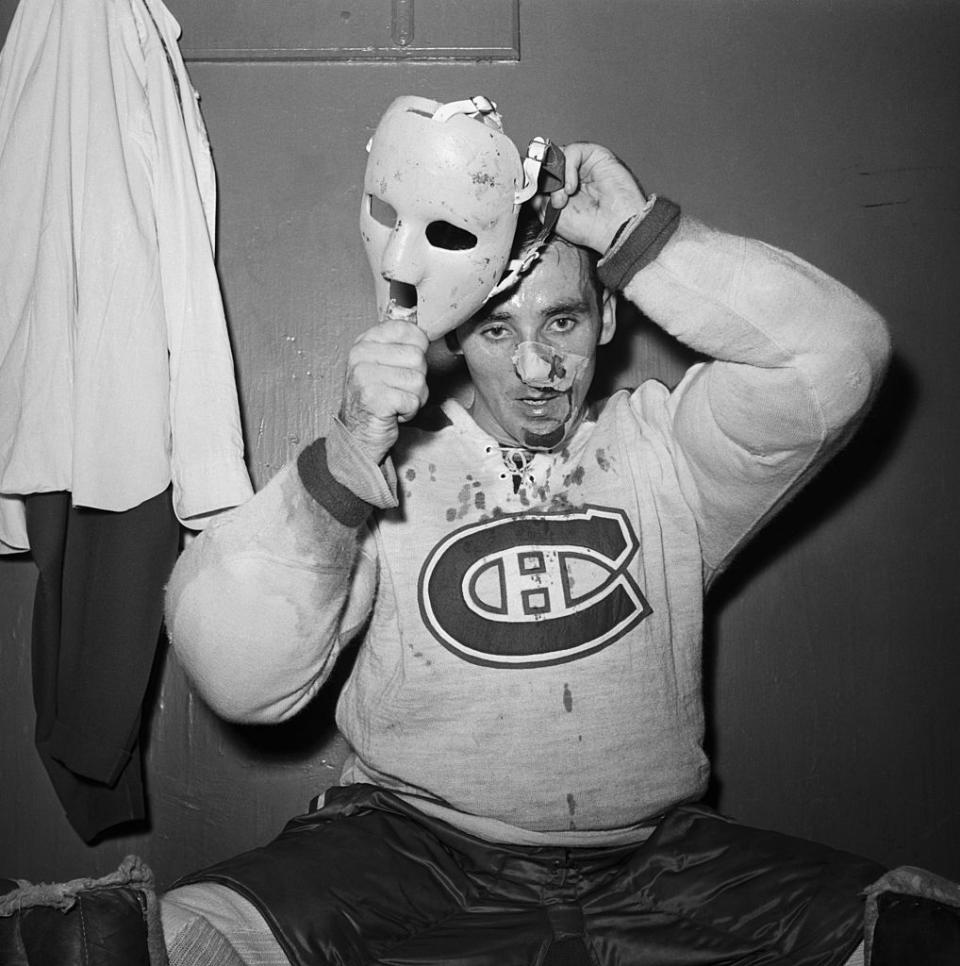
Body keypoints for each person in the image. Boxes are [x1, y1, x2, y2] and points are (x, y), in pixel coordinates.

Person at [159, 112, 896, 966]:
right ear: (454, 334)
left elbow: (843, 354)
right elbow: (235, 678)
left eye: (562, 323)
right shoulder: (387, 471)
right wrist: (347, 459)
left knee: (911, 930)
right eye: (498, 330)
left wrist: (636, 234)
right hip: (411, 852)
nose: (536, 369)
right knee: (173, 942)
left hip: (658, 862)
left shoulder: (671, 450)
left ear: (609, 314)